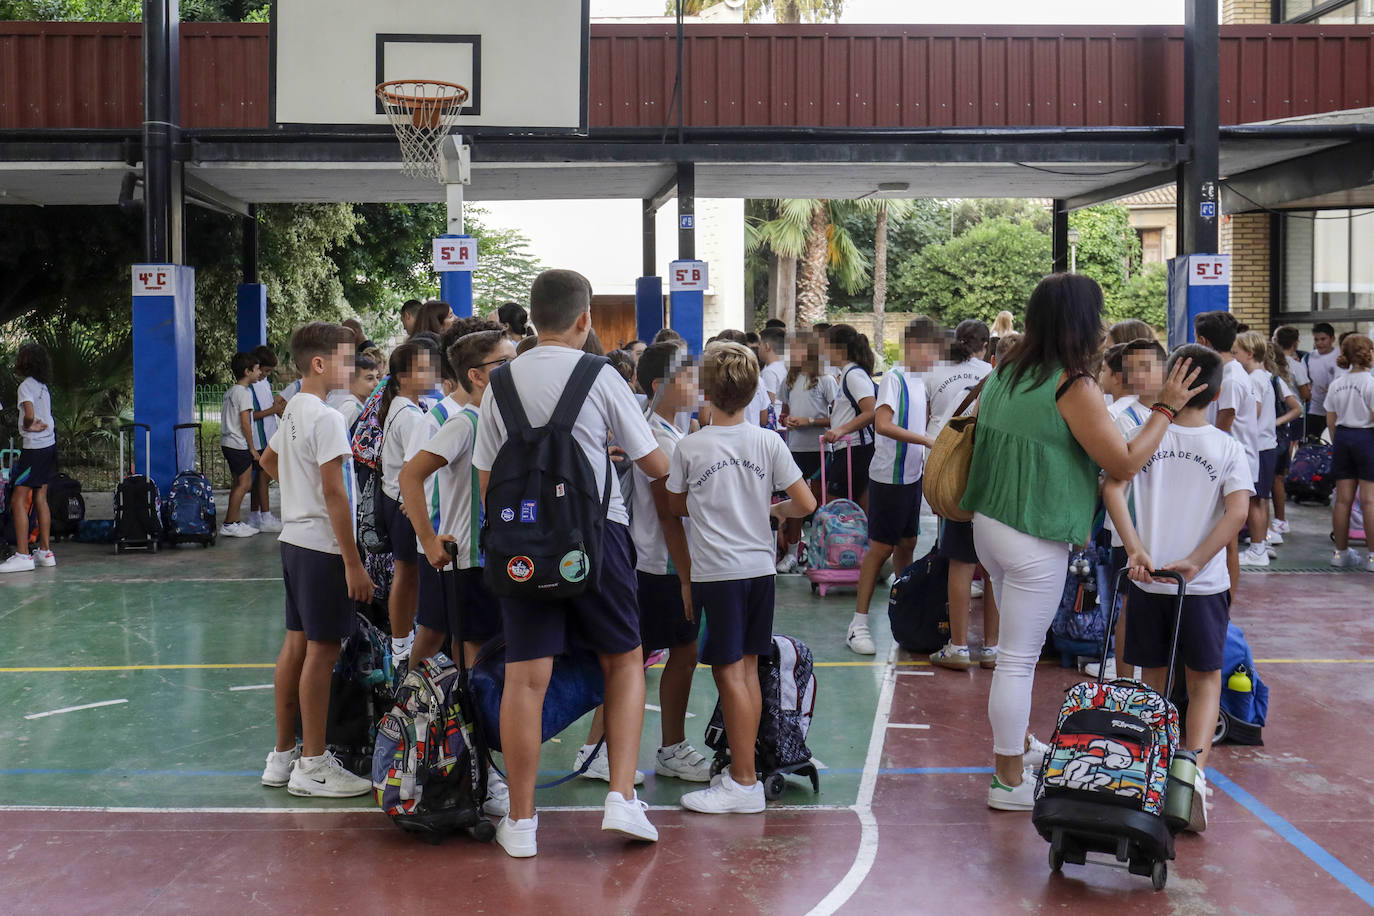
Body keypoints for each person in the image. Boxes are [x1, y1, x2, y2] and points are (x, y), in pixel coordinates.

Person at [960, 273, 1202, 811]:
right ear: (1082, 321)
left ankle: (1017, 749)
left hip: (991, 526)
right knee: (1018, 660)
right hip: (1034, 533)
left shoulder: (1007, 372)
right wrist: (1164, 408)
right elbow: (1124, 462)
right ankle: (1005, 781)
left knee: (1014, 656)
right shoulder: (1072, 385)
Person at [472, 269, 670, 858]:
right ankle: (621, 799)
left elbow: (488, 478)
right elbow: (655, 464)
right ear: (585, 320)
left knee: (525, 680)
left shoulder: (499, 382)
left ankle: (524, 821)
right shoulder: (600, 375)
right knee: (624, 661)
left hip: (521, 549)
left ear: (532, 318)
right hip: (596, 538)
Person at [1103, 343, 1250, 832]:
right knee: (1205, 680)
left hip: (1148, 583)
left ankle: (1157, 769)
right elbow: (1238, 512)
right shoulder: (1228, 447)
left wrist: (1134, 549)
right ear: (1217, 391)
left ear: (1171, 383)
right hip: (1203, 587)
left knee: (1157, 680)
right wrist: (1196, 562)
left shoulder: (1145, 437)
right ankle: (1194, 778)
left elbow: (1112, 487)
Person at [668, 342, 816, 814]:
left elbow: (673, 506)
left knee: (731, 674)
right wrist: (772, 510)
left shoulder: (690, 447)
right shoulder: (767, 441)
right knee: (748, 669)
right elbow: (807, 504)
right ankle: (747, 777)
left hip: (719, 574)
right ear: (755, 391)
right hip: (759, 571)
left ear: (706, 391)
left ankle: (744, 781)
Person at [257, 322, 375, 798]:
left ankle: (283, 755)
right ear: (320, 363)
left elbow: (268, 464)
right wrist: (353, 562)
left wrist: (298, 495)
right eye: (347, 359)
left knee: (296, 645)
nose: (353, 367)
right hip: (324, 548)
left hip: (293, 541)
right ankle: (313, 765)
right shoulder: (327, 418)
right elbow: (336, 493)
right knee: (322, 653)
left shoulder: (291, 412)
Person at [402, 328, 512, 678]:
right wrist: (428, 539)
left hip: (494, 556)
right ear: (476, 376)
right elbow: (410, 476)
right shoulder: (464, 423)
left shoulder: (500, 420)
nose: (515, 369)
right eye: (505, 363)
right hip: (468, 560)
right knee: (478, 652)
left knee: (480, 648)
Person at [627, 342, 713, 782]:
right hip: (660, 566)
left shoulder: (670, 432)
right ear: (661, 386)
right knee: (666, 653)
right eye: (687, 377)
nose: (696, 385)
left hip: (663, 565)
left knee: (669, 653)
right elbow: (668, 513)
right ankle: (665, 747)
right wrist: (685, 576)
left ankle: (658, 746)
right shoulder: (657, 436)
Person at [849, 318, 942, 656]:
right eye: (932, 350)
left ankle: (904, 613)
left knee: (908, 543)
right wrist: (926, 440)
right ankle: (858, 624)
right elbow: (883, 424)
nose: (935, 358)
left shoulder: (918, 383)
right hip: (888, 477)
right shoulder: (894, 378)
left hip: (911, 477)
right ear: (915, 346)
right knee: (880, 549)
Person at [1089, 338, 1167, 679]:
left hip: (1167, 525)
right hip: (1129, 529)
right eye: (1132, 369)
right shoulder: (1119, 416)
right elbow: (1113, 476)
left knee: (1160, 604)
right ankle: (1123, 679)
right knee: (1129, 605)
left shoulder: (1176, 414)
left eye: (1147, 367)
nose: (1139, 375)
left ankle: (1153, 679)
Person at [926, 319, 996, 671]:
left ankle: (958, 645)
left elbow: (936, 423)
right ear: (987, 348)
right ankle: (993, 647)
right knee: (995, 567)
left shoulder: (940, 375)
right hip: (997, 484)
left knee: (960, 560)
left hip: (957, 479)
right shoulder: (999, 378)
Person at [377, 337, 441, 671]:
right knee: (409, 574)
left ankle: (401, 641)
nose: (431, 372)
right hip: (404, 506)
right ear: (402, 377)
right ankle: (402, 644)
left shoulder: (404, 408)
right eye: (422, 367)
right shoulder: (411, 415)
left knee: (407, 573)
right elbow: (415, 472)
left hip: (395, 501)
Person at [1194, 311, 1261, 582]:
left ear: (1203, 340)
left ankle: (1227, 606)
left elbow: (1227, 416)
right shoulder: (1228, 371)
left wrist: (1206, 447)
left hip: (1230, 462)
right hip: (1225, 459)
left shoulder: (1231, 377)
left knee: (1228, 541)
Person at [777, 331, 838, 572]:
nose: (792, 354)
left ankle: (819, 551)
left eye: (797, 349)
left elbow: (838, 418)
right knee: (795, 503)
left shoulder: (826, 380)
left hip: (820, 449)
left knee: (819, 504)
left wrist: (809, 421)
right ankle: (793, 552)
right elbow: (784, 412)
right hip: (795, 449)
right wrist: (788, 420)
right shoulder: (789, 380)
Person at [1236, 332, 1297, 565]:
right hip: (1266, 446)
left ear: (1249, 354)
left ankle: (1258, 549)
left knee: (1255, 500)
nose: (1233, 356)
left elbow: (1255, 411)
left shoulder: (1254, 380)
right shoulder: (1265, 377)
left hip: (1259, 447)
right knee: (1259, 499)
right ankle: (1261, 544)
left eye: (1236, 352)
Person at [1, 342, 58, 573]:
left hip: (34, 449)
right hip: (49, 446)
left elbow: (29, 413)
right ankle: (45, 552)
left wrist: (29, 425)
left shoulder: (26, 386)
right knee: (40, 498)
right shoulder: (43, 386)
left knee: (17, 499)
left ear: (25, 362)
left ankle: (23, 555)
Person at [1325, 333, 1374, 570]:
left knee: (1342, 500)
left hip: (1343, 438)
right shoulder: (1370, 383)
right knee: (1369, 501)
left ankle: (1340, 553)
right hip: (1366, 437)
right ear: (1368, 353)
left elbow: (1331, 420)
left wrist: (1339, 443)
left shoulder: (1337, 384)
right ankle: (1373, 558)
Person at [821, 324, 877, 511]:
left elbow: (871, 411)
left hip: (854, 450)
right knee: (847, 507)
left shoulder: (853, 374)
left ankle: (859, 540)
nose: (824, 351)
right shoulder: (848, 373)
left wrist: (840, 430)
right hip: (849, 449)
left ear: (838, 348)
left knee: (837, 507)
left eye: (826, 345)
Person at [219, 352, 261, 539]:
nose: (259, 372)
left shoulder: (231, 391)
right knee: (244, 484)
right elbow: (245, 423)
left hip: (228, 443)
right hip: (238, 444)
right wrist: (252, 448)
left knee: (238, 484)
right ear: (247, 371)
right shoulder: (244, 393)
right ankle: (229, 524)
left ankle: (234, 521)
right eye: (257, 369)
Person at [247, 345, 285, 534]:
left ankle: (256, 514)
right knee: (263, 476)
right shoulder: (249, 387)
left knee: (261, 478)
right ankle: (266, 515)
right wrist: (274, 410)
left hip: (268, 435)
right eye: (266, 371)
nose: (266, 375)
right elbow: (252, 415)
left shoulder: (264, 383)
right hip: (259, 438)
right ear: (256, 367)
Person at [326, 354, 380, 432]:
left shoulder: (366, 403)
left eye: (377, 377)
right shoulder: (351, 408)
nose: (377, 383)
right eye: (370, 378)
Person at [1305, 322, 1340, 439]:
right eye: (1316, 340)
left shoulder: (1339, 356)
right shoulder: (1308, 357)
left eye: (1323, 339)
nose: (1319, 343)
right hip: (1314, 409)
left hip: (1335, 410)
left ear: (1332, 339)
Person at [758, 325, 788, 429]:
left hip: (776, 426)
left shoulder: (769, 372)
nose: (758, 348)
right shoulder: (787, 367)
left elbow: (769, 402)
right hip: (785, 424)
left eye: (759, 344)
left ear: (767, 346)